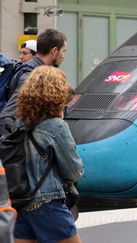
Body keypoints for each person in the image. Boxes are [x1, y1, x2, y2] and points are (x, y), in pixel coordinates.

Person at [13, 66, 84, 243]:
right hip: (48, 203)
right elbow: (74, 171)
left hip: (22, 203)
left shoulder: (20, 124)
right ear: (56, 95)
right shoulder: (56, 127)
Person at [0, 29, 67, 137]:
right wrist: (12, 147)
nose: (63, 56)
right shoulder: (31, 76)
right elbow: (7, 117)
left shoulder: (34, 71)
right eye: (63, 51)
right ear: (54, 51)